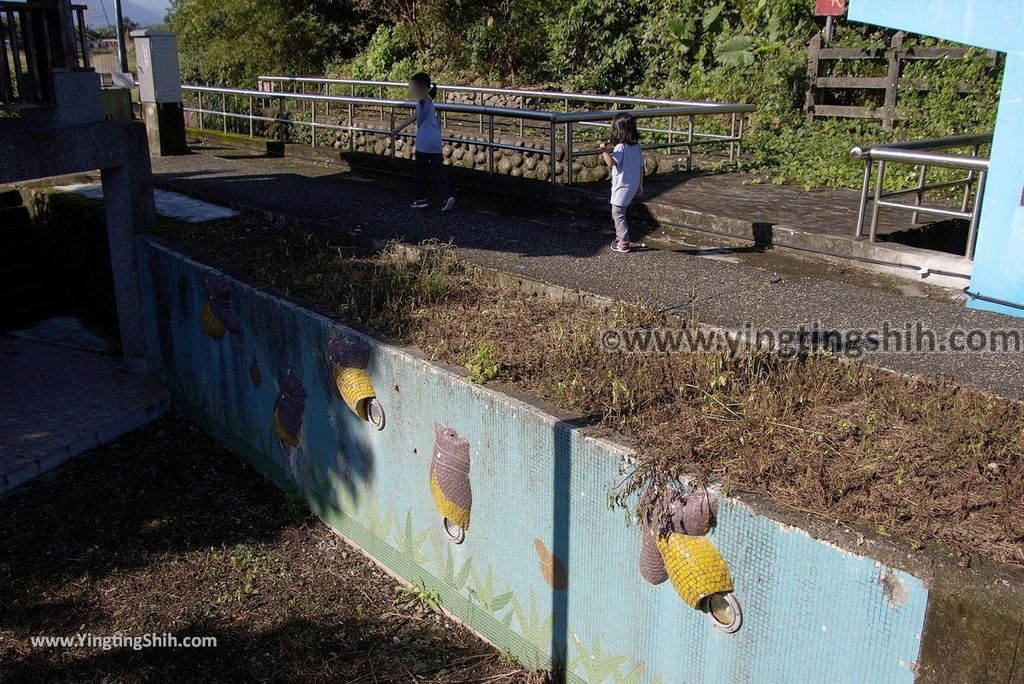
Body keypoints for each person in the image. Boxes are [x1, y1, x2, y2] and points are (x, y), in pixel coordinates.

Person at [393, 72, 455, 212]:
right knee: (438, 172)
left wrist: (396, 130)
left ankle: (420, 199)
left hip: (424, 143)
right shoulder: (428, 103)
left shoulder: (422, 102)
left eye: (414, 86)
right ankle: (447, 196)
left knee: (421, 172)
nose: (412, 89)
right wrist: (397, 128)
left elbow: (417, 119)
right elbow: (414, 117)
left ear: (422, 88)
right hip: (435, 142)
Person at [600, 113, 644, 253]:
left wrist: (604, 151)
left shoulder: (620, 147)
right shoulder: (636, 147)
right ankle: (619, 237)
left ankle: (624, 241)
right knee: (622, 211)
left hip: (622, 187)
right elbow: (641, 167)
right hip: (633, 185)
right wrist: (640, 184)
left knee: (617, 214)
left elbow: (611, 163)